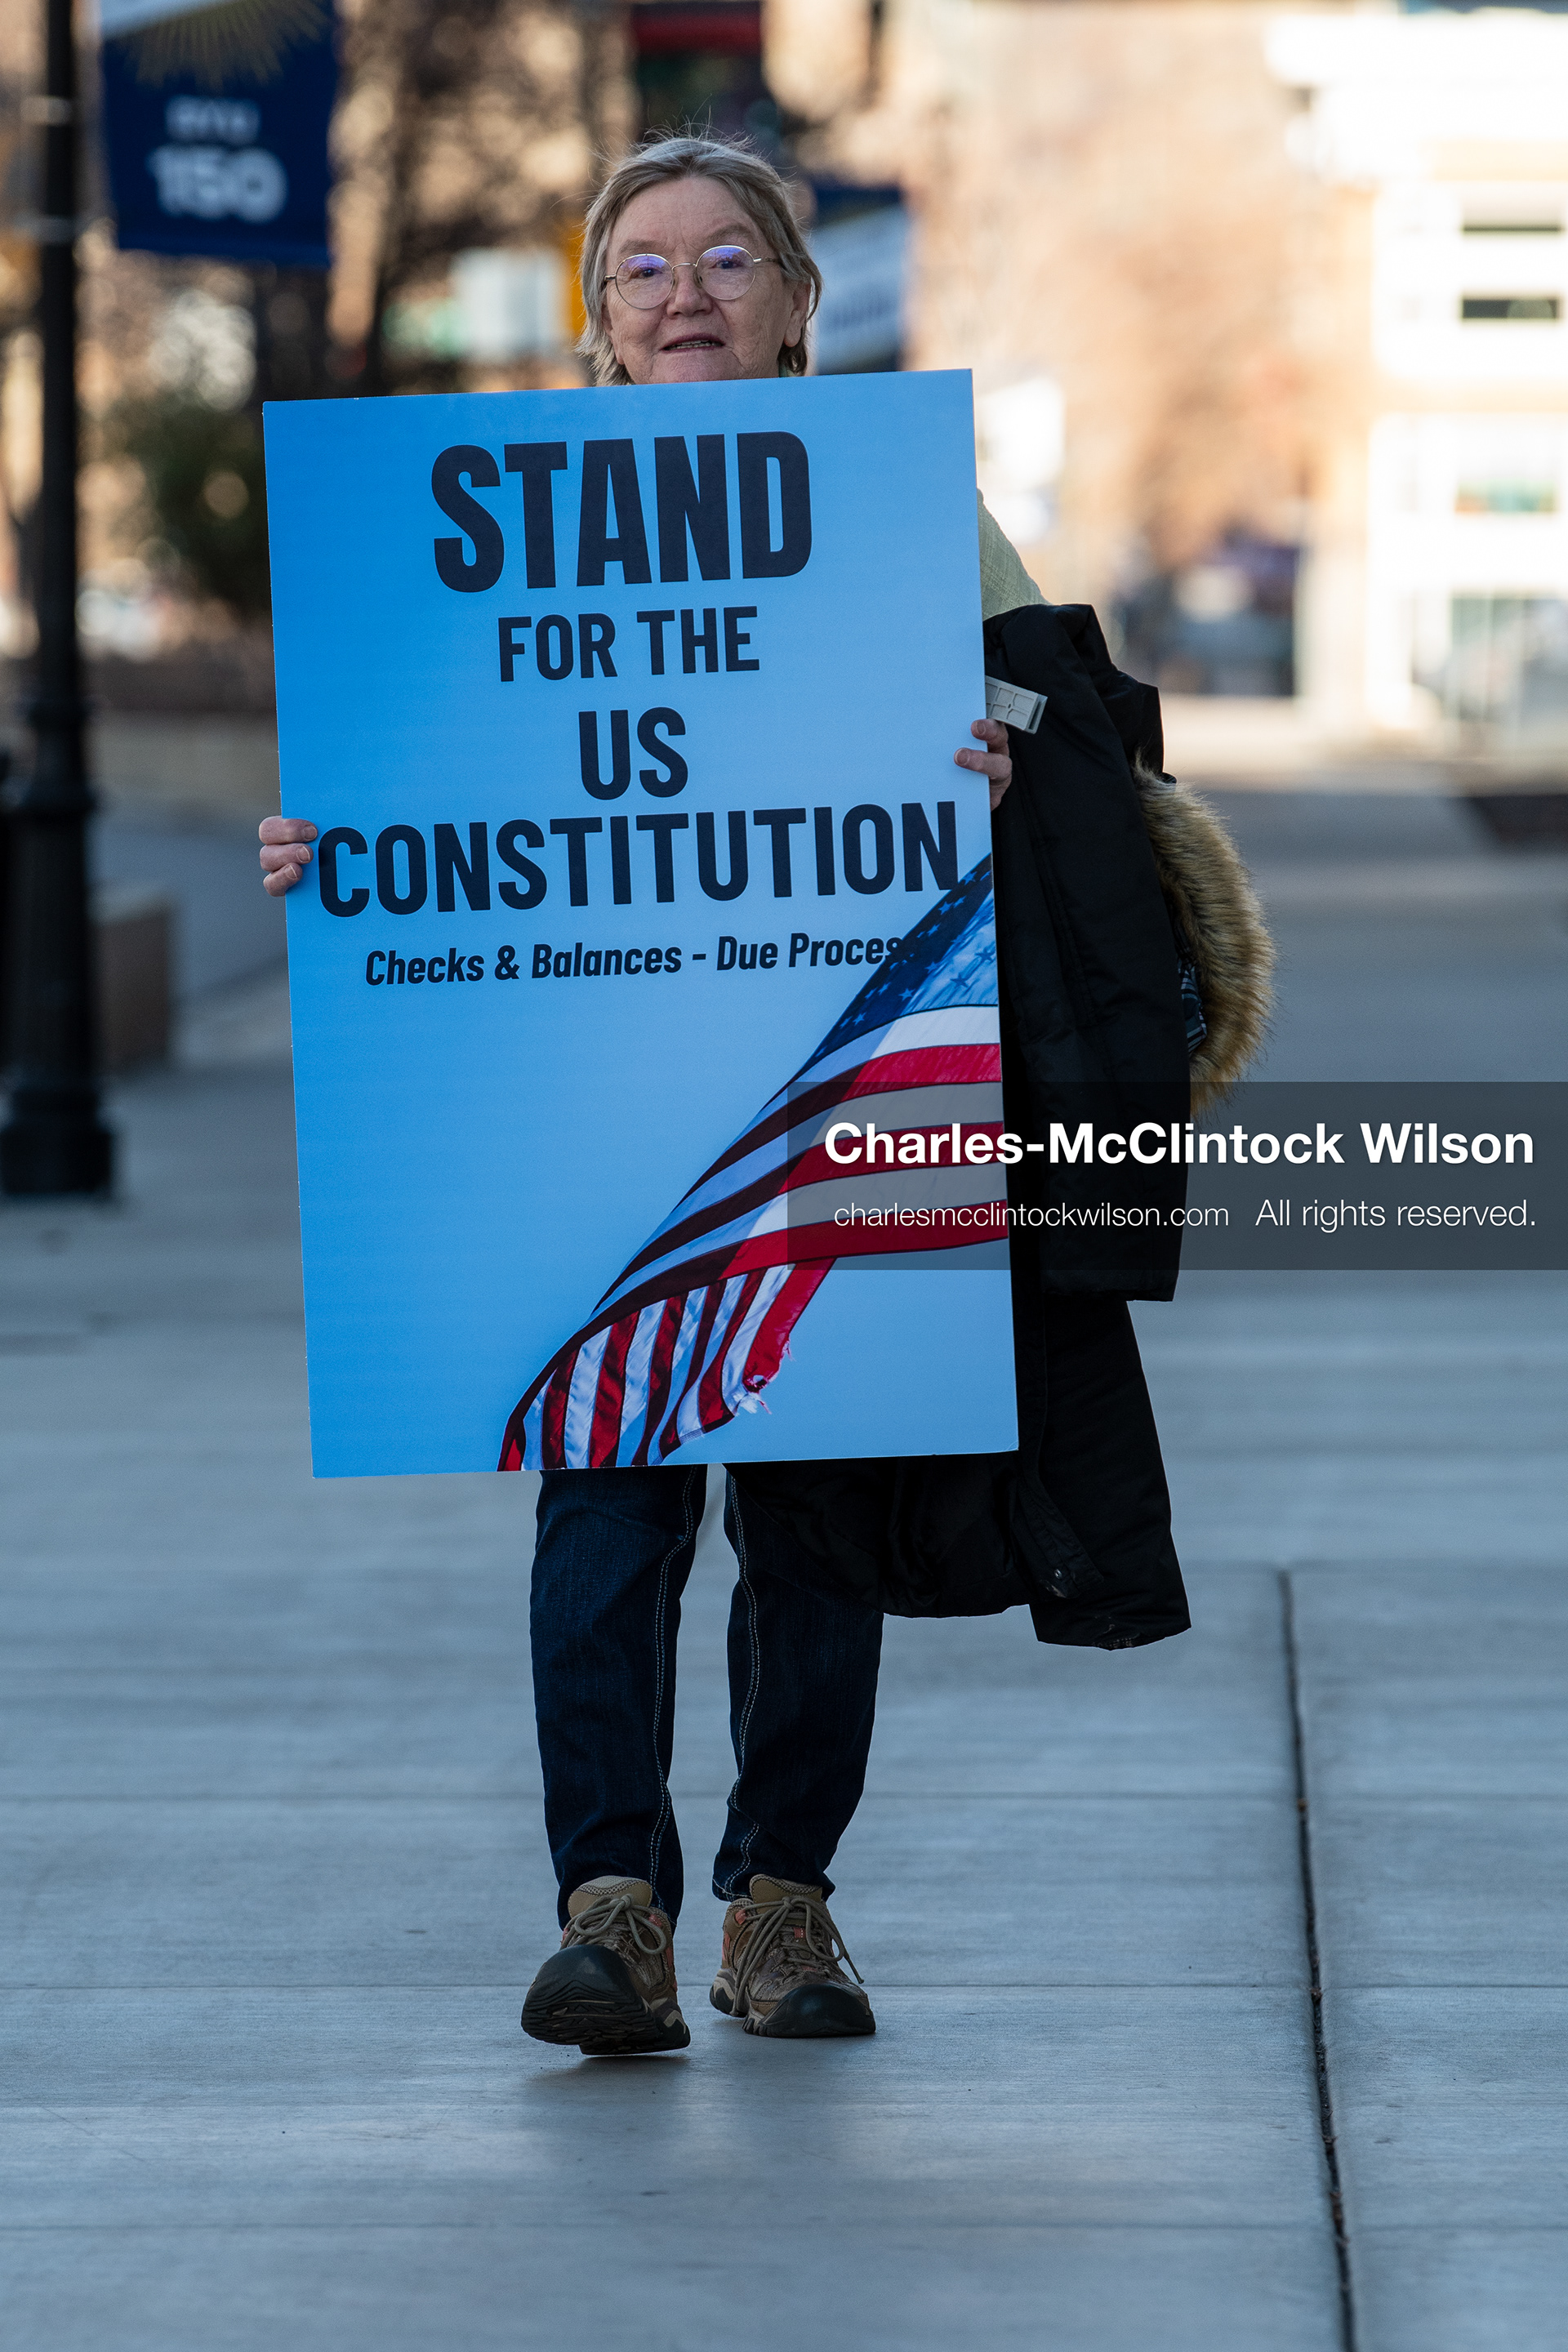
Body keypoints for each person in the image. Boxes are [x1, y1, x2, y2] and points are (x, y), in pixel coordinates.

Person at [261, 135, 1058, 2058]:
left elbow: (1073, 718)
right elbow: (424, 777)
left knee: (818, 1508)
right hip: (591, 1101)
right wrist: (326, 848)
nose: (683, 291)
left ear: (796, 305)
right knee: (607, 1501)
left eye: (725, 259)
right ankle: (608, 1909)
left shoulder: (902, 506)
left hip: (837, 1081)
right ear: (599, 320)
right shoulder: (488, 514)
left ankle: (784, 1907)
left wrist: (1011, 757)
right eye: (642, 266)